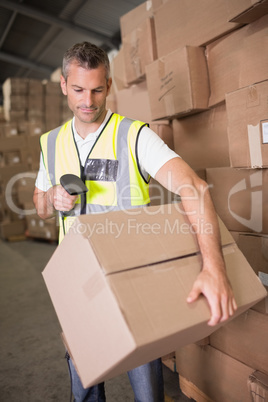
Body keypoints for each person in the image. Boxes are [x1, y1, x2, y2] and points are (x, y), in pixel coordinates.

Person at [33, 42, 237, 402]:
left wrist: (214, 266)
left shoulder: (134, 136)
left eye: (97, 89)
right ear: (64, 85)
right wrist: (50, 196)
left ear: (109, 85)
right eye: (78, 89)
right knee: (84, 393)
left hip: (132, 286)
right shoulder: (50, 144)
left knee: (147, 394)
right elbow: (40, 208)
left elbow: (195, 187)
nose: (88, 100)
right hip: (78, 290)